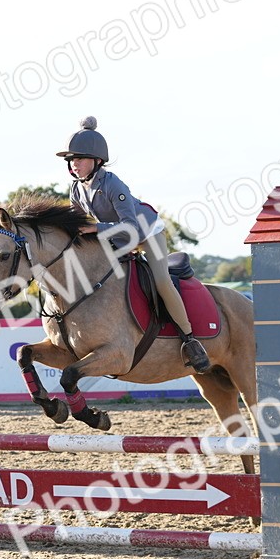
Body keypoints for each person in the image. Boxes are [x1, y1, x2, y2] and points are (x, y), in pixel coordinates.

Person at [58, 116, 211, 373]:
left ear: (97, 161)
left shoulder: (112, 184)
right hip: (116, 236)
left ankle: (190, 339)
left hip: (146, 232)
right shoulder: (75, 189)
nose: (75, 165)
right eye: (71, 161)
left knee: (161, 281)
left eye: (79, 159)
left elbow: (131, 227)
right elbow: (79, 223)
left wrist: (96, 228)